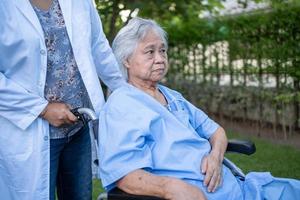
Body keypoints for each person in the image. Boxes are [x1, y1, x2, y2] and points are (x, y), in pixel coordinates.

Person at [98, 17, 300, 200]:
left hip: (243, 188)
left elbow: (216, 131)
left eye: (162, 50)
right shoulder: (121, 106)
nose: (160, 58)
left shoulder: (172, 97)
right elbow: (124, 173)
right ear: (126, 60)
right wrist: (171, 188)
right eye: (150, 52)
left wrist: (215, 157)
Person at [0, 0, 125, 199]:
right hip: (30, 132)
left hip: (79, 127)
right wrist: (42, 109)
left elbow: (99, 48)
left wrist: (130, 94)